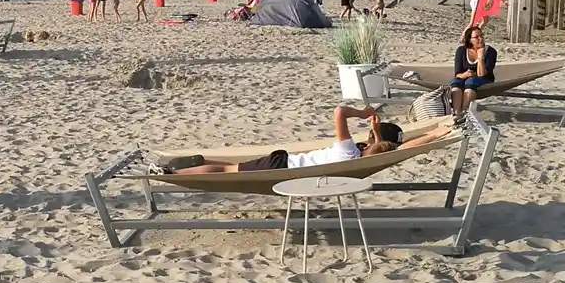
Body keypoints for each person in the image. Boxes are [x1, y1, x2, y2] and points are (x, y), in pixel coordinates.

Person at [163, 104, 402, 175]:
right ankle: (198, 161)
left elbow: (339, 111)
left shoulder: (348, 152)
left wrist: (362, 114)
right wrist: (376, 130)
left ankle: (175, 173)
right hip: (283, 164)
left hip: (282, 165)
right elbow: (377, 149)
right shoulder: (356, 157)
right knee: (229, 167)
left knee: (225, 170)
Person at [449, 24, 498, 116]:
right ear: (470, 40)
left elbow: (482, 74)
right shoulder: (461, 51)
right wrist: (466, 74)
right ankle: (456, 112)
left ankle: (464, 112)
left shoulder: (490, 52)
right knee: (456, 81)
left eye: (482, 36)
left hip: (485, 80)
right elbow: (457, 74)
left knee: (471, 81)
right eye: (476, 37)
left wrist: (480, 58)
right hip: (465, 78)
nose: (480, 39)